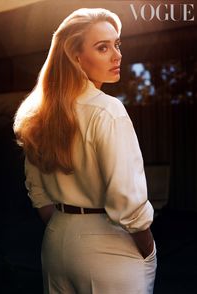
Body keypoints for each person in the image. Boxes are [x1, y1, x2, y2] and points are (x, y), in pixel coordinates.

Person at [13, 8, 157, 294]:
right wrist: (148, 248)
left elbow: (38, 194)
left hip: (56, 243)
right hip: (111, 247)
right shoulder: (108, 110)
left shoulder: (37, 113)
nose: (117, 55)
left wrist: (67, 224)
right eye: (103, 47)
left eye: (117, 44)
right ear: (75, 57)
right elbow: (128, 200)